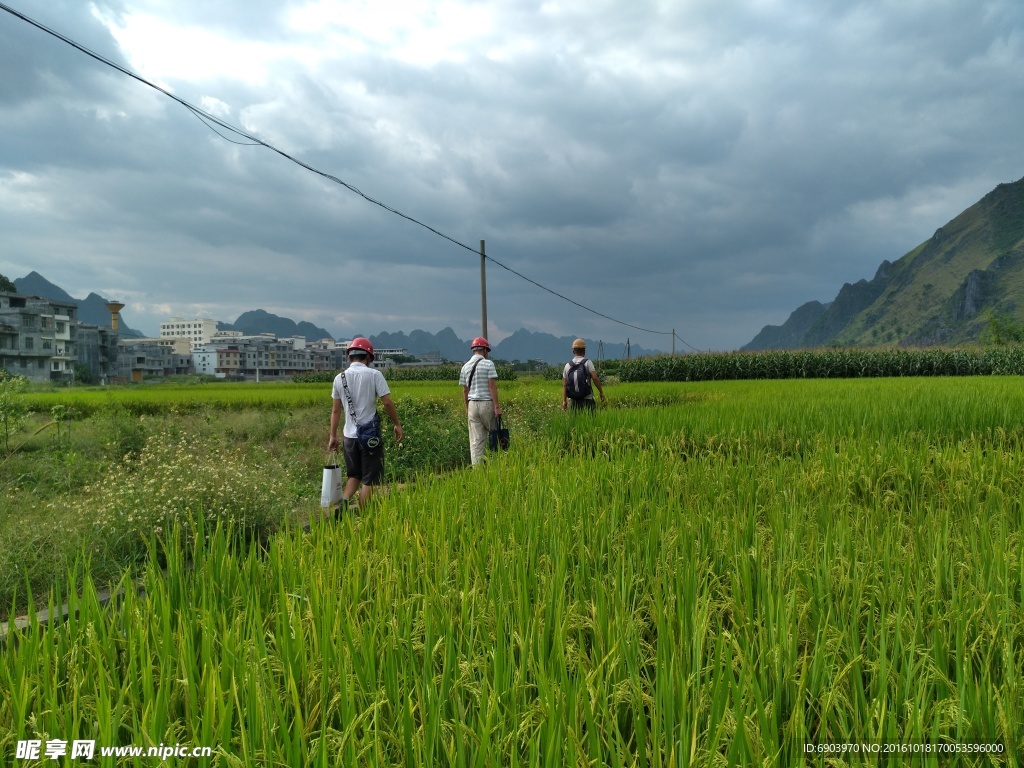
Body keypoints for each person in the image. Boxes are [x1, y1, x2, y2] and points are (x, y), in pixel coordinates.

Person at [328, 337, 403, 511]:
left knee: (354, 475)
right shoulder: (374, 375)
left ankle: (344, 502)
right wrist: (397, 424)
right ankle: (364, 516)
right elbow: (387, 402)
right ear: (368, 357)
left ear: (349, 357)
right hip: (370, 437)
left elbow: (335, 411)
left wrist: (333, 435)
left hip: (349, 437)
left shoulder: (339, 378)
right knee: (369, 479)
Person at [459, 336, 502, 465]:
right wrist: (497, 406)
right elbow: (492, 386)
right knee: (495, 436)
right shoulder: (488, 364)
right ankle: (496, 466)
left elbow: (465, 391)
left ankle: (478, 473)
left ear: (473, 350)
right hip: (487, 404)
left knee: (476, 441)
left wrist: (467, 408)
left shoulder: (465, 367)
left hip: (472, 405)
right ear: (484, 350)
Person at [562, 338, 607, 412]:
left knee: (574, 423)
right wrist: (601, 392)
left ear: (573, 351)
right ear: (584, 351)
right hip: (587, 399)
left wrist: (564, 401)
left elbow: (564, 385)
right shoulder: (588, 363)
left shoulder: (567, 365)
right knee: (590, 422)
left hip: (573, 401)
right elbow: (595, 378)